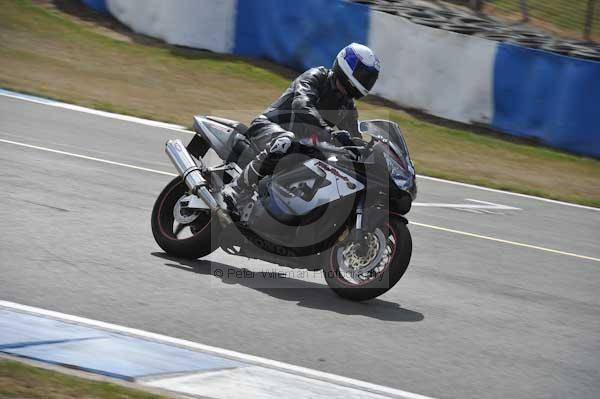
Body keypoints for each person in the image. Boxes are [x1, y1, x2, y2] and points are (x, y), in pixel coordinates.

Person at [233, 43, 381, 199]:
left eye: (370, 78)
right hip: (267, 127)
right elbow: (302, 106)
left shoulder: (347, 106)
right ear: (347, 64)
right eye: (363, 75)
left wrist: (373, 152)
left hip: (303, 146)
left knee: (332, 167)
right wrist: (329, 133)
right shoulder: (316, 76)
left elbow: (354, 140)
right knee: (285, 141)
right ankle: (237, 188)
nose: (366, 81)